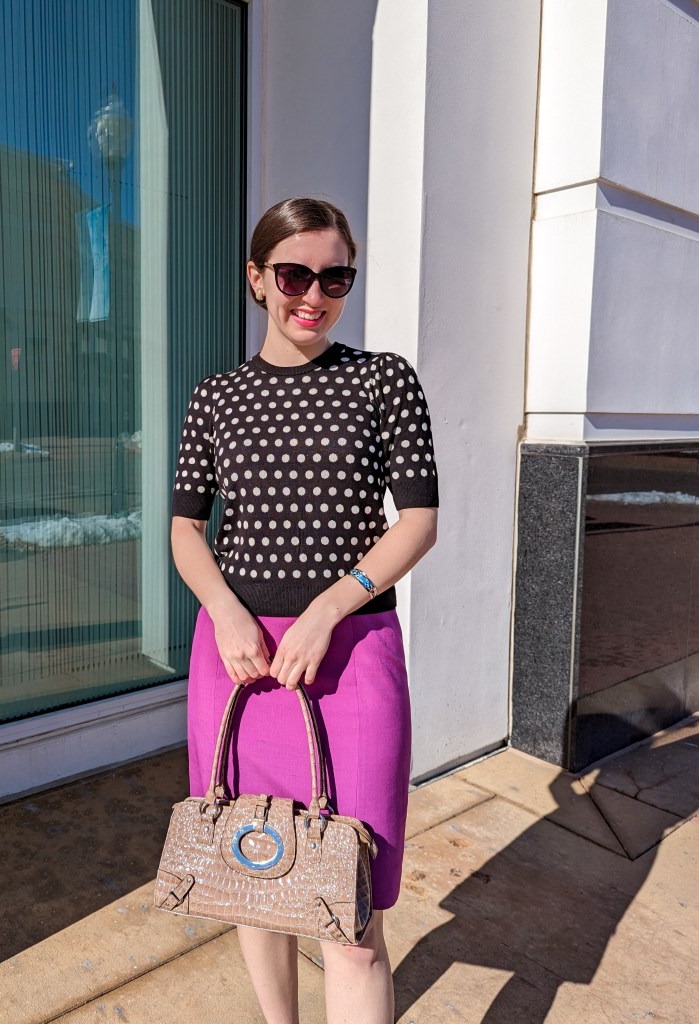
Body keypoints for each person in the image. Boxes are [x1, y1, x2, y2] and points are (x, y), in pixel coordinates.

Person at [170, 197, 439, 1024]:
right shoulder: (216, 398)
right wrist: (224, 610)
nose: (312, 294)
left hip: (352, 657)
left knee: (350, 919)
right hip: (238, 661)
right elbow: (186, 528)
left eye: (334, 277)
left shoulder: (382, 379)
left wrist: (327, 609)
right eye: (293, 274)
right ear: (257, 280)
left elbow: (419, 521)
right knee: (255, 887)